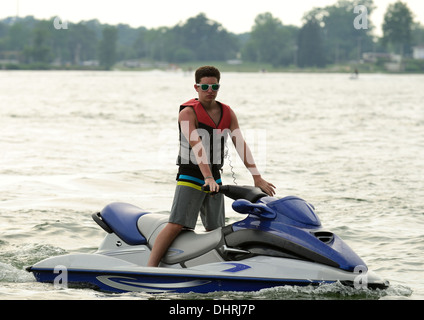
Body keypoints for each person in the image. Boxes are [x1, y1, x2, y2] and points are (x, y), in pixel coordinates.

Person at [147, 66, 275, 267]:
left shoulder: (227, 112)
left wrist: (256, 177)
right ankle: (151, 268)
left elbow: (240, 144)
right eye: (205, 86)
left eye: (214, 86)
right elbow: (197, 146)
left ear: (218, 86)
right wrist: (206, 177)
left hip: (214, 177)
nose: (210, 90)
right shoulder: (188, 113)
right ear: (196, 87)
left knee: (216, 229)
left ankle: (214, 267)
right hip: (191, 176)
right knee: (177, 224)